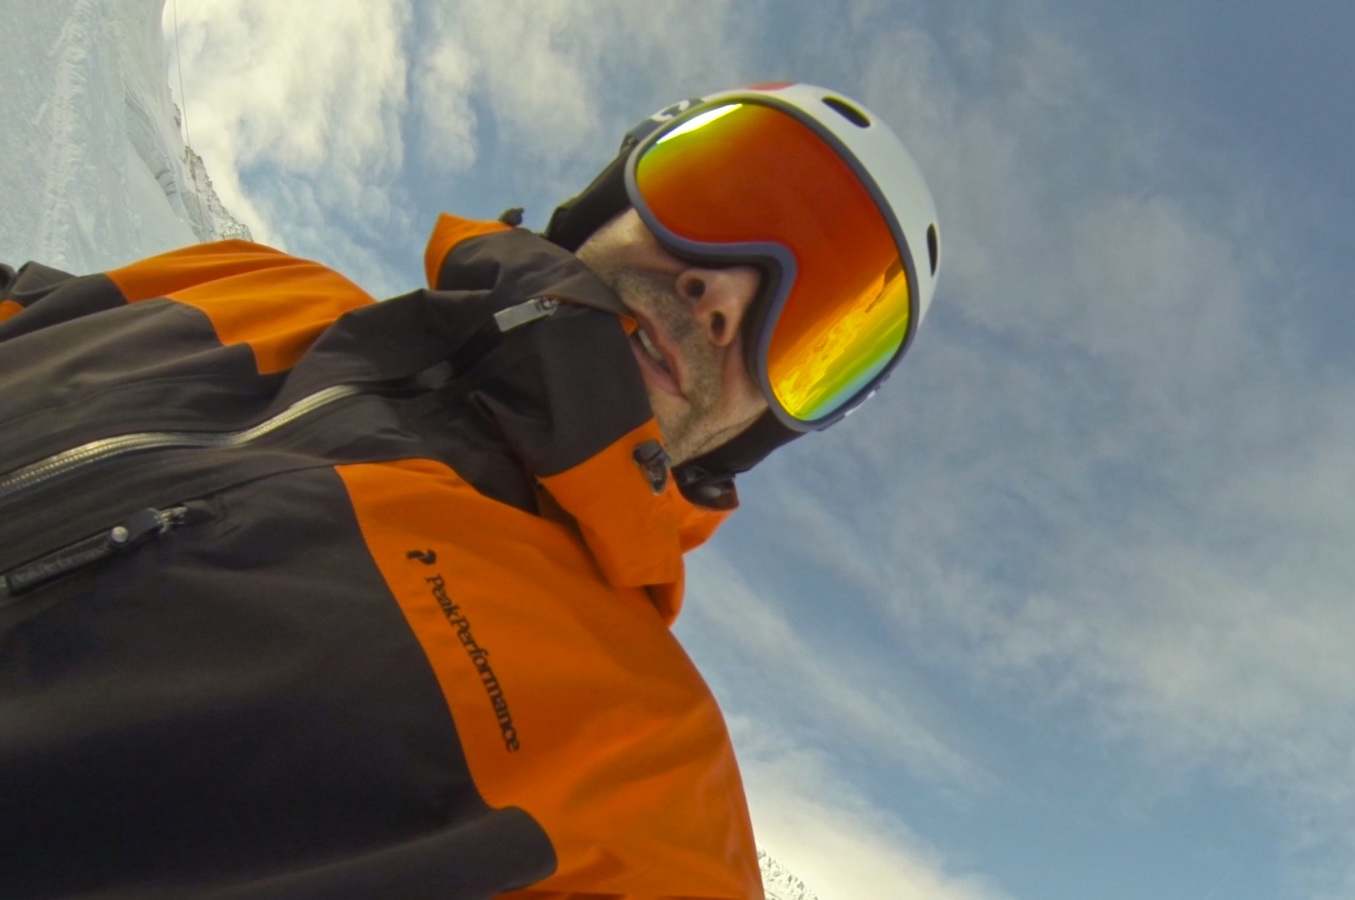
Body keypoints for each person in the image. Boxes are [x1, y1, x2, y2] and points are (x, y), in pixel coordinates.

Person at [0, 82, 939, 899]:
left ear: (768, 425)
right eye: (720, 195)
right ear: (614, 195)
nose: (726, 296)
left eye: (806, 331)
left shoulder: (652, 775)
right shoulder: (254, 286)